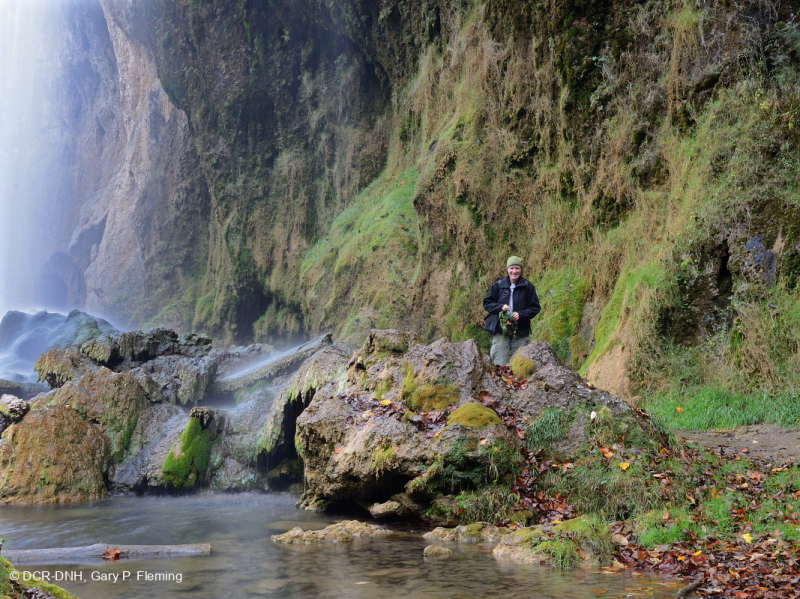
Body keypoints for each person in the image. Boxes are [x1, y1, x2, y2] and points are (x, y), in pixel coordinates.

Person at [483, 256, 541, 365]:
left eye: (517, 268)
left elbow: (535, 307)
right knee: (500, 364)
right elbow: (487, 303)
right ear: (507, 269)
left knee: (520, 364)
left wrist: (521, 314)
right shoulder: (498, 285)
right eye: (512, 268)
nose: (514, 271)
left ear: (521, 270)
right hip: (501, 329)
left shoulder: (528, 287)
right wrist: (500, 307)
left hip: (521, 330)